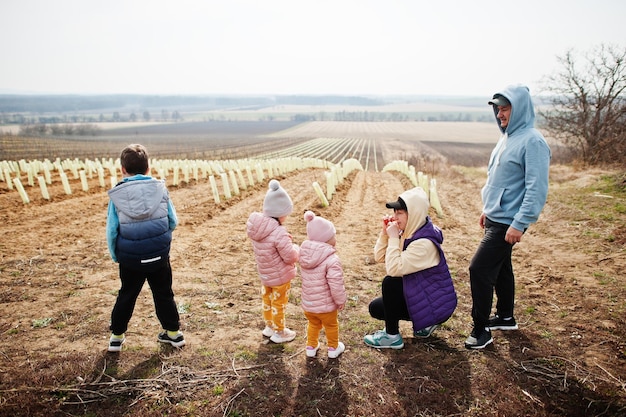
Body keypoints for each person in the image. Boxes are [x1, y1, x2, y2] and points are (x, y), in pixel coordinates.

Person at [465, 85, 551, 350]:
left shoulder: (532, 141)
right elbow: (500, 180)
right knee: (501, 268)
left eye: (505, 109)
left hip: (508, 222)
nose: (500, 115)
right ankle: (505, 317)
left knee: (479, 270)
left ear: (520, 109)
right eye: (498, 109)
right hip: (496, 216)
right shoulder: (507, 137)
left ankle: (481, 331)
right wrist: (488, 209)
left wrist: (520, 223)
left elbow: (536, 188)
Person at [106, 144, 185, 352]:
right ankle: (174, 334)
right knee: (163, 293)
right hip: (158, 255)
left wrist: (117, 255)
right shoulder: (161, 189)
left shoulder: (118, 196)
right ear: (149, 167)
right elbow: (173, 221)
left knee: (127, 294)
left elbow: (112, 230)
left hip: (130, 259)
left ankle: (116, 337)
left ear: (123, 169)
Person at [364, 186, 457, 349]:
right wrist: (385, 234)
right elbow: (380, 257)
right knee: (377, 308)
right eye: (395, 212)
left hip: (436, 304)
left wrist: (393, 237)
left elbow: (393, 270)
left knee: (390, 283)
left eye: (399, 213)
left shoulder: (424, 244)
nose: (395, 217)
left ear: (413, 214)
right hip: (422, 293)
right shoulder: (410, 232)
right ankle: (423, 324)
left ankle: (392, 336)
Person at [246, 179, 300, 343]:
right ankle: (280, 332)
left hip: (265, 275)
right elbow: (290, 256)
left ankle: (269, 326)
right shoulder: (279, 232)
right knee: (279, 303)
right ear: (280, 213)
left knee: (267, 300)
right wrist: (296, 248)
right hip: (280, 278)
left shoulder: (258, 229)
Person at [299, 210, 347, 359]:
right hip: (325, 306)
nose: (335, 239)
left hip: (309, 304)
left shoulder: (304, 255)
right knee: (331, 325)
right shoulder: (331, 259)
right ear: (326, 239)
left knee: (313, 324)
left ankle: (311, 347)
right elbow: (335, 283)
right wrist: (340, 300)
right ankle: (333, 348)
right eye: (333, 236)